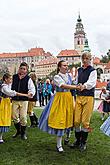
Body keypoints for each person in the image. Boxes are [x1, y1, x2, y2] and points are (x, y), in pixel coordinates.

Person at [38, 60, 80, 152]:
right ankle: (59, 145)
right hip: (60, 100)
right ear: (59, 67)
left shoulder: (69, 75)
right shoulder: (57, 77)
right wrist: (76, 87)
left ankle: (67, 138)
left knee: (69, 118)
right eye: (64, 65)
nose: (66, 67)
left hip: (68, 98)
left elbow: (73, 83)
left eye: (67, 65)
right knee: (60, 120)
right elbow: (63, 85)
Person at [70, 52, 97, 152]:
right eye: (83, 58)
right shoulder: (80, 70)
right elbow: (76, 81)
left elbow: (92, 83)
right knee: (76, 121)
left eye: (87, 58)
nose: (85, 60)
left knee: (85, 122)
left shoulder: (92, 71)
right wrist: (75, 84)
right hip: (79, 96)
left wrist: (84, 86)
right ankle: (78, 140)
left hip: (88, 97)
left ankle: (83, 142)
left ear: (90, 59)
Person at [0, 73, 30, 143]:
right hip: (3, 104)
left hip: (6, 104)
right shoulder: (4, 87)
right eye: (10, 79)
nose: (11, 80)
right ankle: (1, 137)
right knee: (2, 119)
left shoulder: (8, 85)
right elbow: (12, 93)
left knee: (5, 119)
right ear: (6, 79)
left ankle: (2, 136)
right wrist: (25, 95)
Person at [11, 62, 35, 140]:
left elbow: (32, 88)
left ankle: (23, 133)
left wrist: (31, 93)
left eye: (24, 69)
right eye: (21, 68)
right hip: (14, 99)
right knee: (14, 117)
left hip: (24, 100)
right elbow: (9, 85)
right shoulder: (14, 77)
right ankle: (18, 131)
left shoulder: (28, 79)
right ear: (19, 69)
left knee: (23, 117)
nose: (22, 70)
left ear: (26, 70)